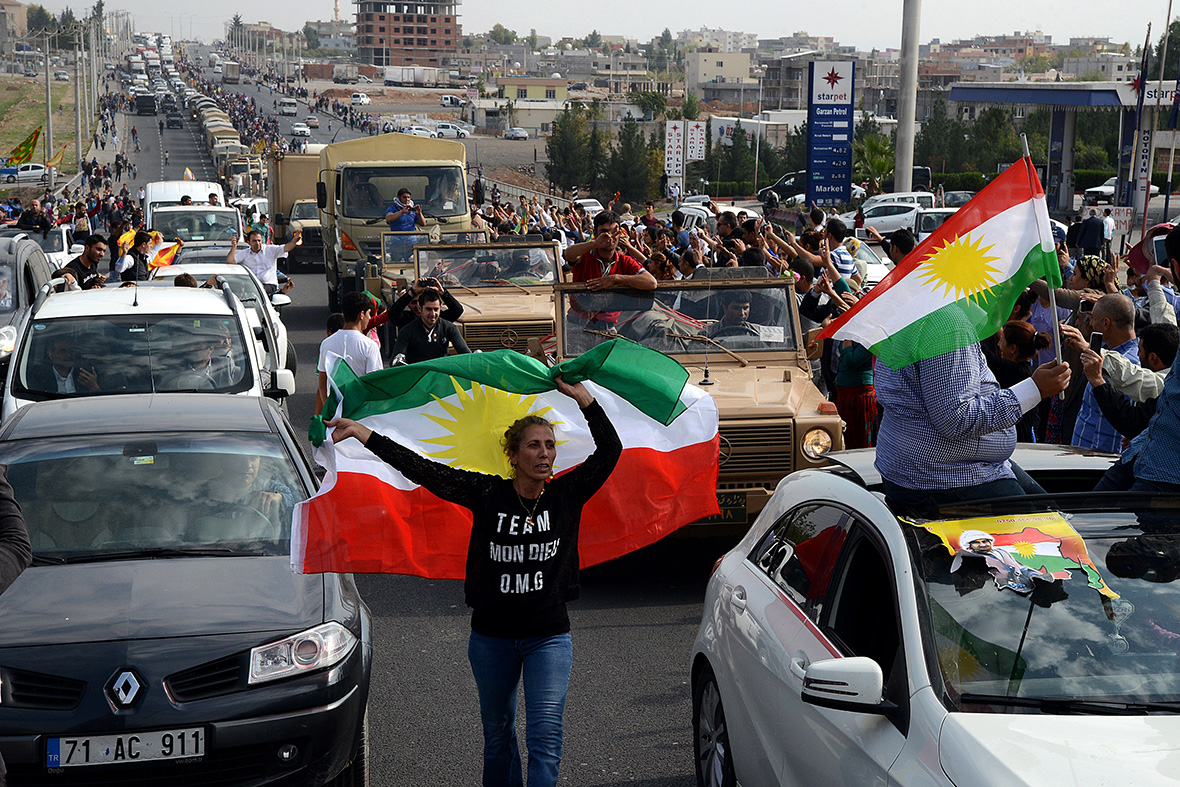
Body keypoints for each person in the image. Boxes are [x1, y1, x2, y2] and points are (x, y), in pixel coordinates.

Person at [323, 377, 621, 787]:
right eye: (533, 445)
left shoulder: (567, 494)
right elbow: (423, 469)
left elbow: (611, 451)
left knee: (545, 737)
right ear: (513, 455)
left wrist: (584, 399)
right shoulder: (486, 493)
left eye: (549, 445)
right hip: (492, 638)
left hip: (548, 636)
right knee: (498, 737)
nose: (545, 453)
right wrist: (365, 434)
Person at [873, 309, 1072, 517]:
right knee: (1045, 537)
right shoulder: (948, 324)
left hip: (951, 470)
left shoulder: (916, 311)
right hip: (945, 477)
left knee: (1053, 517)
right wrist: (1034, 389)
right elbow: (955, 418)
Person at [316, 291, 384, 415]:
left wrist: (330, 409)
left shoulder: (326, 343)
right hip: (360, 414)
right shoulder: (370, 346)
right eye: (369, 314)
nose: (370, 319)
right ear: (361, 315)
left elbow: (322, 383)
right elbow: (374, 385)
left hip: (335, 414)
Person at [390, 289, 470, 365]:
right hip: (418, 374)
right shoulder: (407, 331)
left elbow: (465, 352)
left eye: (436, 309)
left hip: (442, 373)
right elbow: (395, 360)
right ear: (420, 308)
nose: (433, 314)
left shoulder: (449, 328)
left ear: (440, 308)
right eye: (428, 309)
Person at [227, 229, 301, 295]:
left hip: (269, 285)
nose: (257, 243)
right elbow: (230, 262)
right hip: (251, 285)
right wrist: (234, 247)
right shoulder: (244, 253)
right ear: (249, 242)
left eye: (259, 240)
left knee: (259, 292)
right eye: (254, 241)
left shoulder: (270, 250)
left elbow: (286, 248)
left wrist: (294, 241)